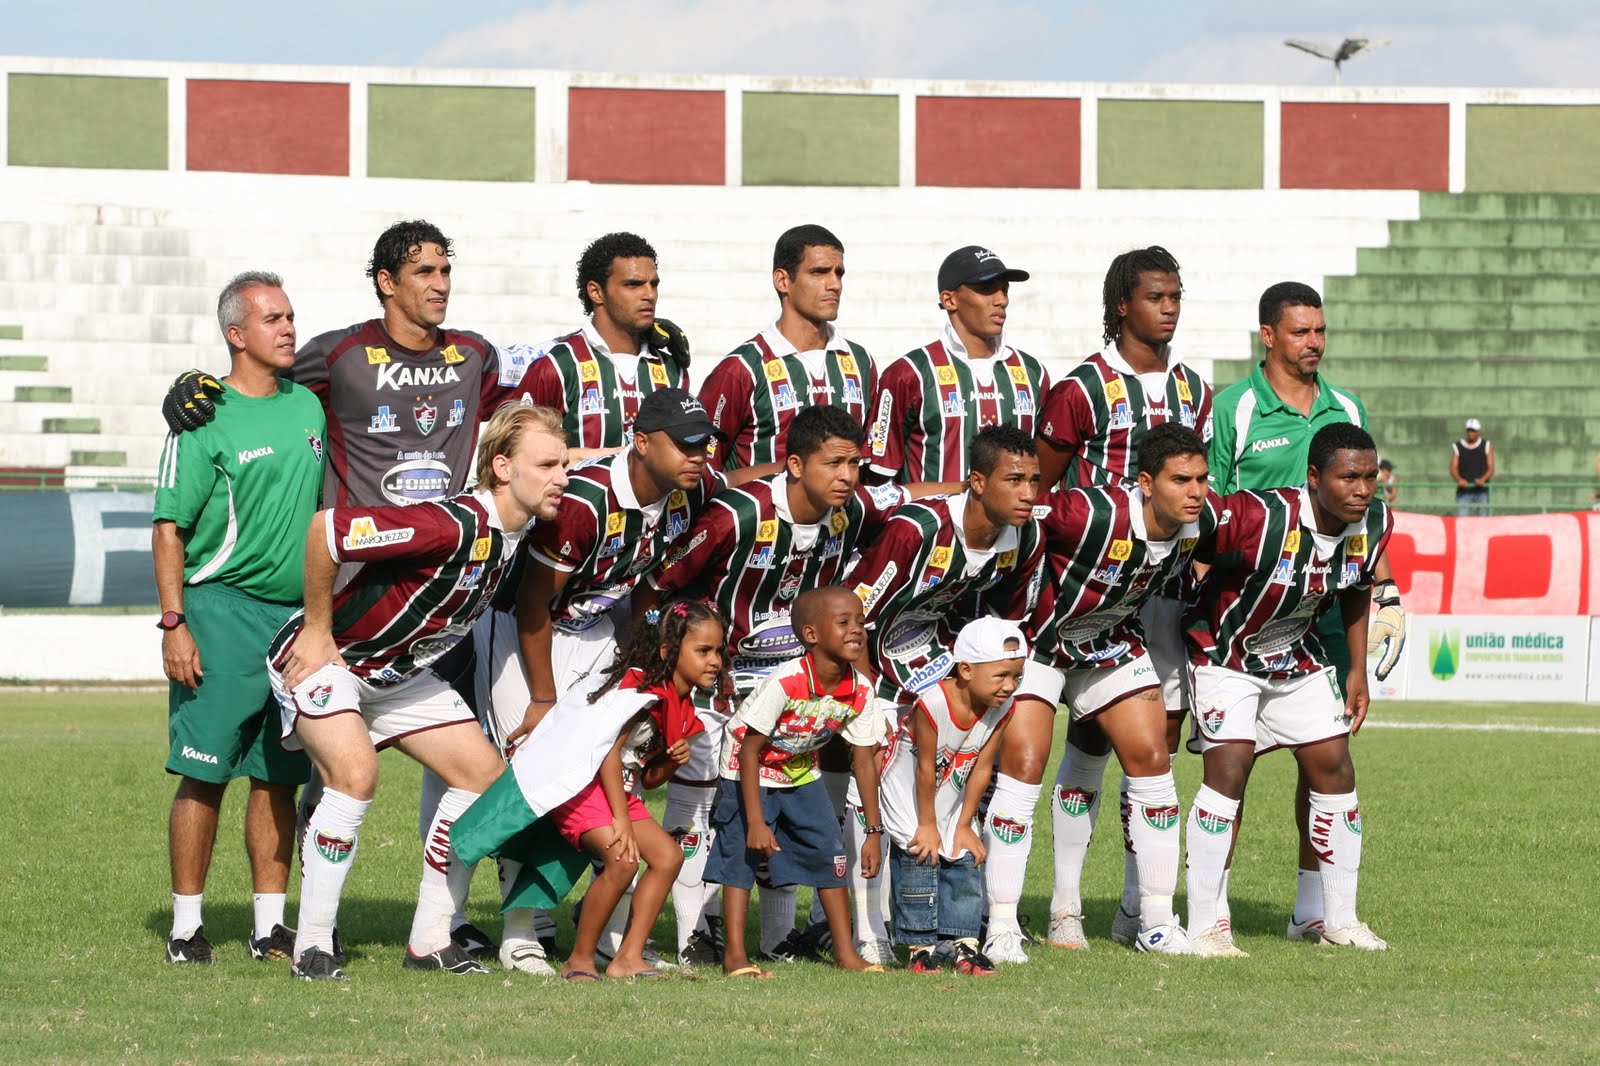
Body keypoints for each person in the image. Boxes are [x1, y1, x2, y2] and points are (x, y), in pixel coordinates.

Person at [161, 219, 556, 961]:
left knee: (470, 773)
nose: (440, 283)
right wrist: (193, 388)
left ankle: (435, 932)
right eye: (425, 271)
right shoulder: (341, 356)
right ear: (386, 280)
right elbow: (260, 383)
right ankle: (304, 931)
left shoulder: (473, 356)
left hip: (439, 592)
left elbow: (535, 415)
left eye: (447, 270)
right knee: (329, 773)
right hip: (347, 597)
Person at [266, 403, 570, 980]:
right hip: (331, 661)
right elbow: (326, 530)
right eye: (549, 464)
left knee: (483, 779)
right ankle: (312, 948)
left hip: (397, 675)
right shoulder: (449, 524)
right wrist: (317, 628)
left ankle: (430, 941)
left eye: (564, 463)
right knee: (355, 778)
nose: (562, 476)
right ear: (502, 469)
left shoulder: (520, 524)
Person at [649, 404, 915, 965]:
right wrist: (669, 672)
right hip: (717, 690)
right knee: (699, 810)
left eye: (855, 464)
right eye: (835, 463)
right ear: (794, 465)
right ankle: (691, 935)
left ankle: (772, 939)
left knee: (784, 811)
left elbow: (908, 498)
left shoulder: (848, 514)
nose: (847, 476)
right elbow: (660, 587)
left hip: (795, 694)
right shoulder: (736, 517)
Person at [485, 388, 735, 969]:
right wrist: (544, 697)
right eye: (686, 443)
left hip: (600, 631)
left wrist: (639, 653)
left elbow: (646, 588)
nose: (699, 455)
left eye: (706, 444)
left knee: (613, 772)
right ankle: (520, 931)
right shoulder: (585, 502)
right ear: (643, 443)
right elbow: (531, 606)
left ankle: (610, 936)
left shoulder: (682, 494)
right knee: (537, 778)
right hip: (528, 635)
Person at [1206, 281, 1407, 944]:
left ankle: (1314, 908)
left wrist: (1380, 606)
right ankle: (1206, 910)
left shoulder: (1346, 406)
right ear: (1269, 335)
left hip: (1318, 613)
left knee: (1324, 755)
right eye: (1300, 332)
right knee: (1230, 764)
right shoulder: (1234, 408)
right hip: (1239, 615)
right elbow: (1207, 513)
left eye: (1320, 331)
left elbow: (1362, 530)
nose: (1314, 343)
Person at [1030, 247, 1213, 948]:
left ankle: (1142, 908)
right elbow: (1044, 490)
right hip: (1090, 586)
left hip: (1161, 592)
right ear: (1121, 306)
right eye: (1157, 296)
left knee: (1156, 744)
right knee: (1084, 738)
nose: (1169, 307)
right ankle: (1066, 905)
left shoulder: (1194, 387)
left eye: (1176, 296)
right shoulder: (1082, 387)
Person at [152, 272, 325, 964]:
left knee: (278, 778)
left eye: (291, 316)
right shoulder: (202, 415)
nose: (288, 328)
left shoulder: (310, 405)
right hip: (219, 610)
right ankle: (187, 928)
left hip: (295, 622)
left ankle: (268, 926)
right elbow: (169, 529)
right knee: (204, 771)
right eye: (273, 319)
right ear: (236, 334)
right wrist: (174, 623)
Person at [1006, 424, 1218, 958]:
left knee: (1152, 761)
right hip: (1037, 643)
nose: (1195, 491)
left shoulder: (1202, 519)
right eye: (1180, 480)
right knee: (1026, 765)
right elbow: (1001, 511)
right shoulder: (1087, 513)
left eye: (1201, 478)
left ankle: (1153, 921)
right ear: (1146, 482)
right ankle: (1025, 920)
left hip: (1109, 642)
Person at [1185, 423, 1393, 954]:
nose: (1363, 488)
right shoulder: (1260, 515)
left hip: (1294, 656)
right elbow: (1189, 531)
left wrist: (1356, 668)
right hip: (1225, 656)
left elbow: (1357, 588)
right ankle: (1207, 923)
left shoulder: (1375, 521)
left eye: (1370, 476)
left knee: (1335, 767)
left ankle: (1327, 918)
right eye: (1349, 477)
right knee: (1228, 770)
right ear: (1315, 476)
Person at [707, 586, 889, 977]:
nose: (856, 629)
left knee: (832, 853)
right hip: (746, 769)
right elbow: (749, 750)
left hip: (801, 770)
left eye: (860, 621)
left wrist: (873, 830)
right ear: (811, 635)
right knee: (742, 857)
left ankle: (845, 954)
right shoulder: (786, 682)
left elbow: (864, 761)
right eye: (843, 622)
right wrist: (756, 822)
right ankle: (734, 956)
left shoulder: (860, 689)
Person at [551, 601, 723, 980]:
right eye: (703, 650)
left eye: (719, 651)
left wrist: (672, 762)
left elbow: (649, 778)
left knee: (668, 857)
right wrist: (621, 819)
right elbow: (608, 752)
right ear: (668, 652)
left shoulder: (684, 707)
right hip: (582, 785)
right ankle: (578, 961)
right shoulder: (638, 687)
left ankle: (627, 958)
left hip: (619, 791)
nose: (715, 661)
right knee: (623, 861)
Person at [880, 617, 1027, 977]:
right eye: (1001, 676)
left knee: (962, 857)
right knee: (921, 857)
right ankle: (921, 949)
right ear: (965, 670)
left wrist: (963, 824)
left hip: (951, 786)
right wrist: (928, 825)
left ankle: (964, 946)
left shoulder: (1003, 706)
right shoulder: (934, 702)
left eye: (1017, 677)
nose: (1009, 686)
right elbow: (923, 769)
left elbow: (981, 766)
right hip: (908, 791)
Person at [864, 245, 1050, 483]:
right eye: (986, 289)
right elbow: (879, 476)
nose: (1001, 300)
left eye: (1004, 290)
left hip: (1009, 521)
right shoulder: (909, 373)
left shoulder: (1033, 373)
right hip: (933, 519)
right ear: (949, 300)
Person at [698, 224, 876, 471]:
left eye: (839, 273)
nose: (834, 284)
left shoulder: (860, 362)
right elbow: (705, 469)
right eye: (819, 272)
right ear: (782, 280)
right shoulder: (741, 369)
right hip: (762, 509)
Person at [519, 232, 690, 460]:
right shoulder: (559, 367)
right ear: (596, 292)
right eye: (633, 284)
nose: (649, 294)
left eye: (654, 284)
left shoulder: (672, 372)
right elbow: (521, 459)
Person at [1451, 419, 1494, 517]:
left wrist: (1483, 479)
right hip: (1464, 492)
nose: (1471, 433)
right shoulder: (1458, 446)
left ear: (1478, 431)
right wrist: (1459, 479)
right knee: (1462, 522)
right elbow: (1453, 468)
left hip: (1482, 491)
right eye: (1469, 430)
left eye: (1473, 430)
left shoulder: (1486, 445)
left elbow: (1491, 468)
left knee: (1484, 522)